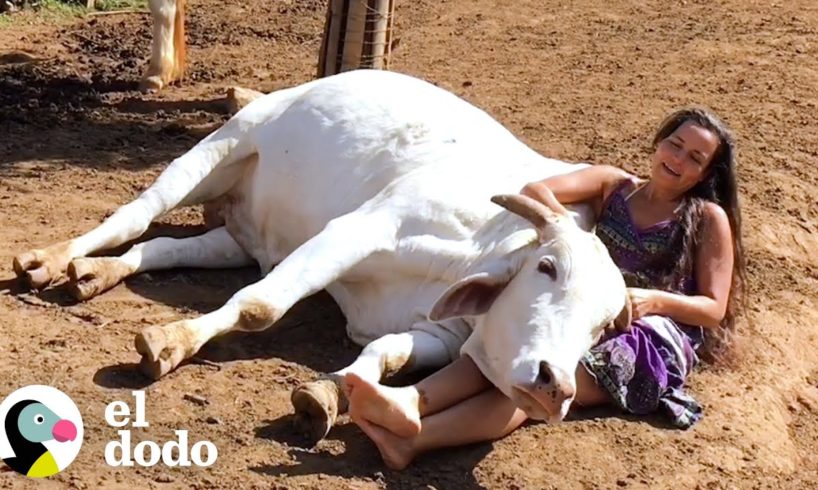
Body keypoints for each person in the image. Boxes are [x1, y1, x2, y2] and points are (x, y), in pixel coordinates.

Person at [343, 107, 746, 470]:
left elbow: (713, 307)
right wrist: (561, 228)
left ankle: (414, 439)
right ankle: (411, 401)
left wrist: (655, 300)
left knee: (541, 383)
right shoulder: (614, 185)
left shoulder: (708, 217)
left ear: (706, 174)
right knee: (517, 353)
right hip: (591, 312)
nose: (677, 159)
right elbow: (535, 190)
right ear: (658, 143)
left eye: (694, 158)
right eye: (674, 145)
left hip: (650, 334)